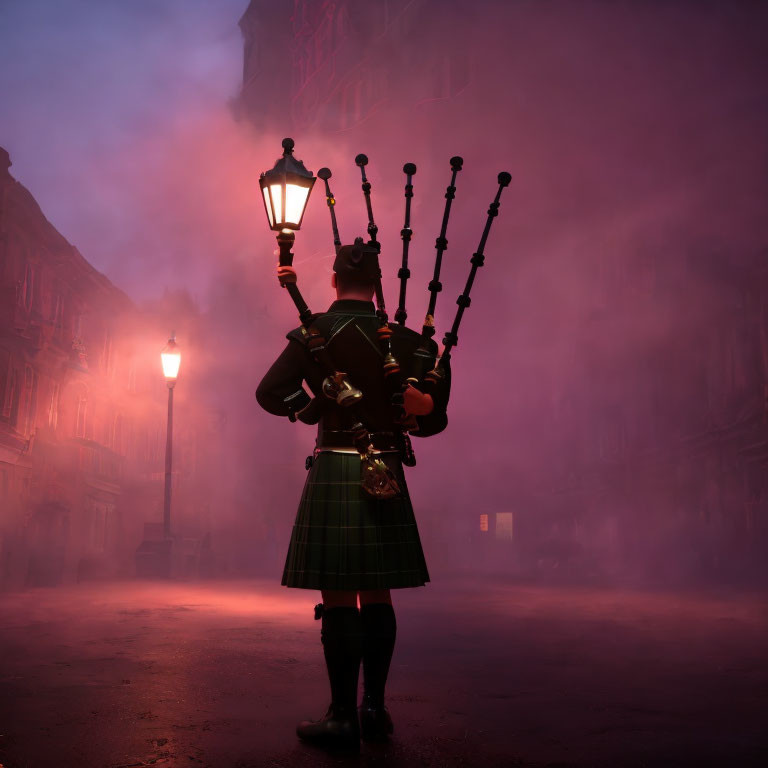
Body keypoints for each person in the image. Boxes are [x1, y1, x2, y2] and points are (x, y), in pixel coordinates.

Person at [255, 238, 450, 749]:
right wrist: (419, 407)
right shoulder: (410, 344)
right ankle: (375, 710)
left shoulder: (316, 331)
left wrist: (312, 405)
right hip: (385, 465)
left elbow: (269, 393)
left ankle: (342, 716)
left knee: (338, 594)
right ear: (379, 285)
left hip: (336, 467)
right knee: (378, 594)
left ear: (336, 281)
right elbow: (433, 420)